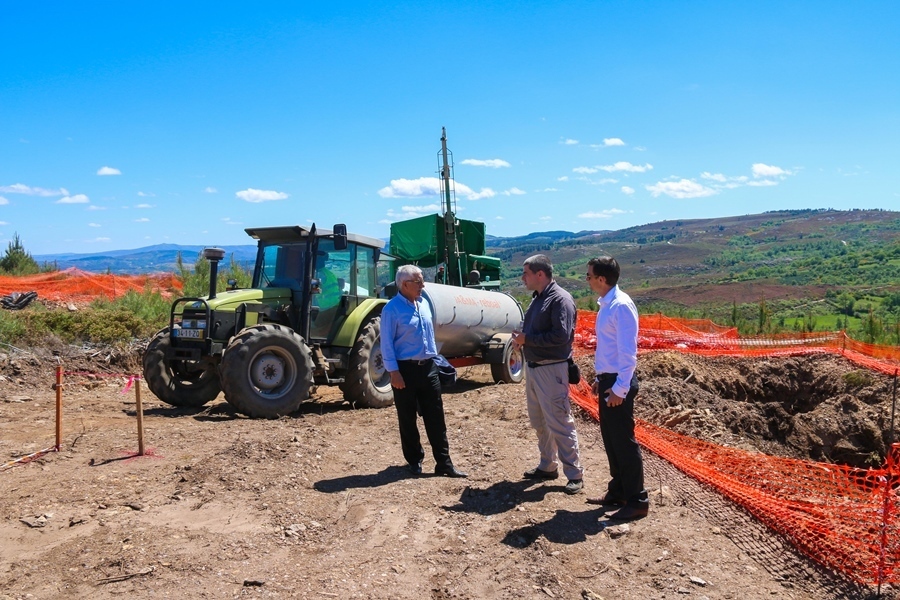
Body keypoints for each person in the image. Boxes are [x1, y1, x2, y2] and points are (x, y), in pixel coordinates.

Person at [380, 265, 467, 478]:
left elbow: (429, 336)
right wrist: (393, 372)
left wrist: (436, 361)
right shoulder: (391, 310)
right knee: (407, 418)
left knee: (436, 416)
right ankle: (414, 460)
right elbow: (386, 344)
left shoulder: (424, 304)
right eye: (418, 281)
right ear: (404, 284)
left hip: (428, 368)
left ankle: (444, 463)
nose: (423, 285)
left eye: (422, 280)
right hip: (405, 371)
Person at [511, 254, 584, 494]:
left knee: (559, 422)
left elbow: (560, 337)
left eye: (526, 273)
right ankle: (547, 465)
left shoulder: (560, 299)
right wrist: (522, 340)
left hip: (552, 369)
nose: (523, 278)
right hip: (535, 368)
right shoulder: (538, 298)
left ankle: (574, 474)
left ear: (540, 274)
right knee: (540, 421)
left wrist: (528, 339)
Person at [585, 256, 648, 520]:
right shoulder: (607, 305)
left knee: (623, 442)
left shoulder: (621, 306)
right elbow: (609, 349)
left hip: (618, 383)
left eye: (589, 275)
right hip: (609, 380)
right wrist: (601, 379)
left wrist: (620, 389)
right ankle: (619, 491)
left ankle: (638, 500)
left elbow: (628, 353)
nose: (587, 280)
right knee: (612, 440)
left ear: (601, 279)